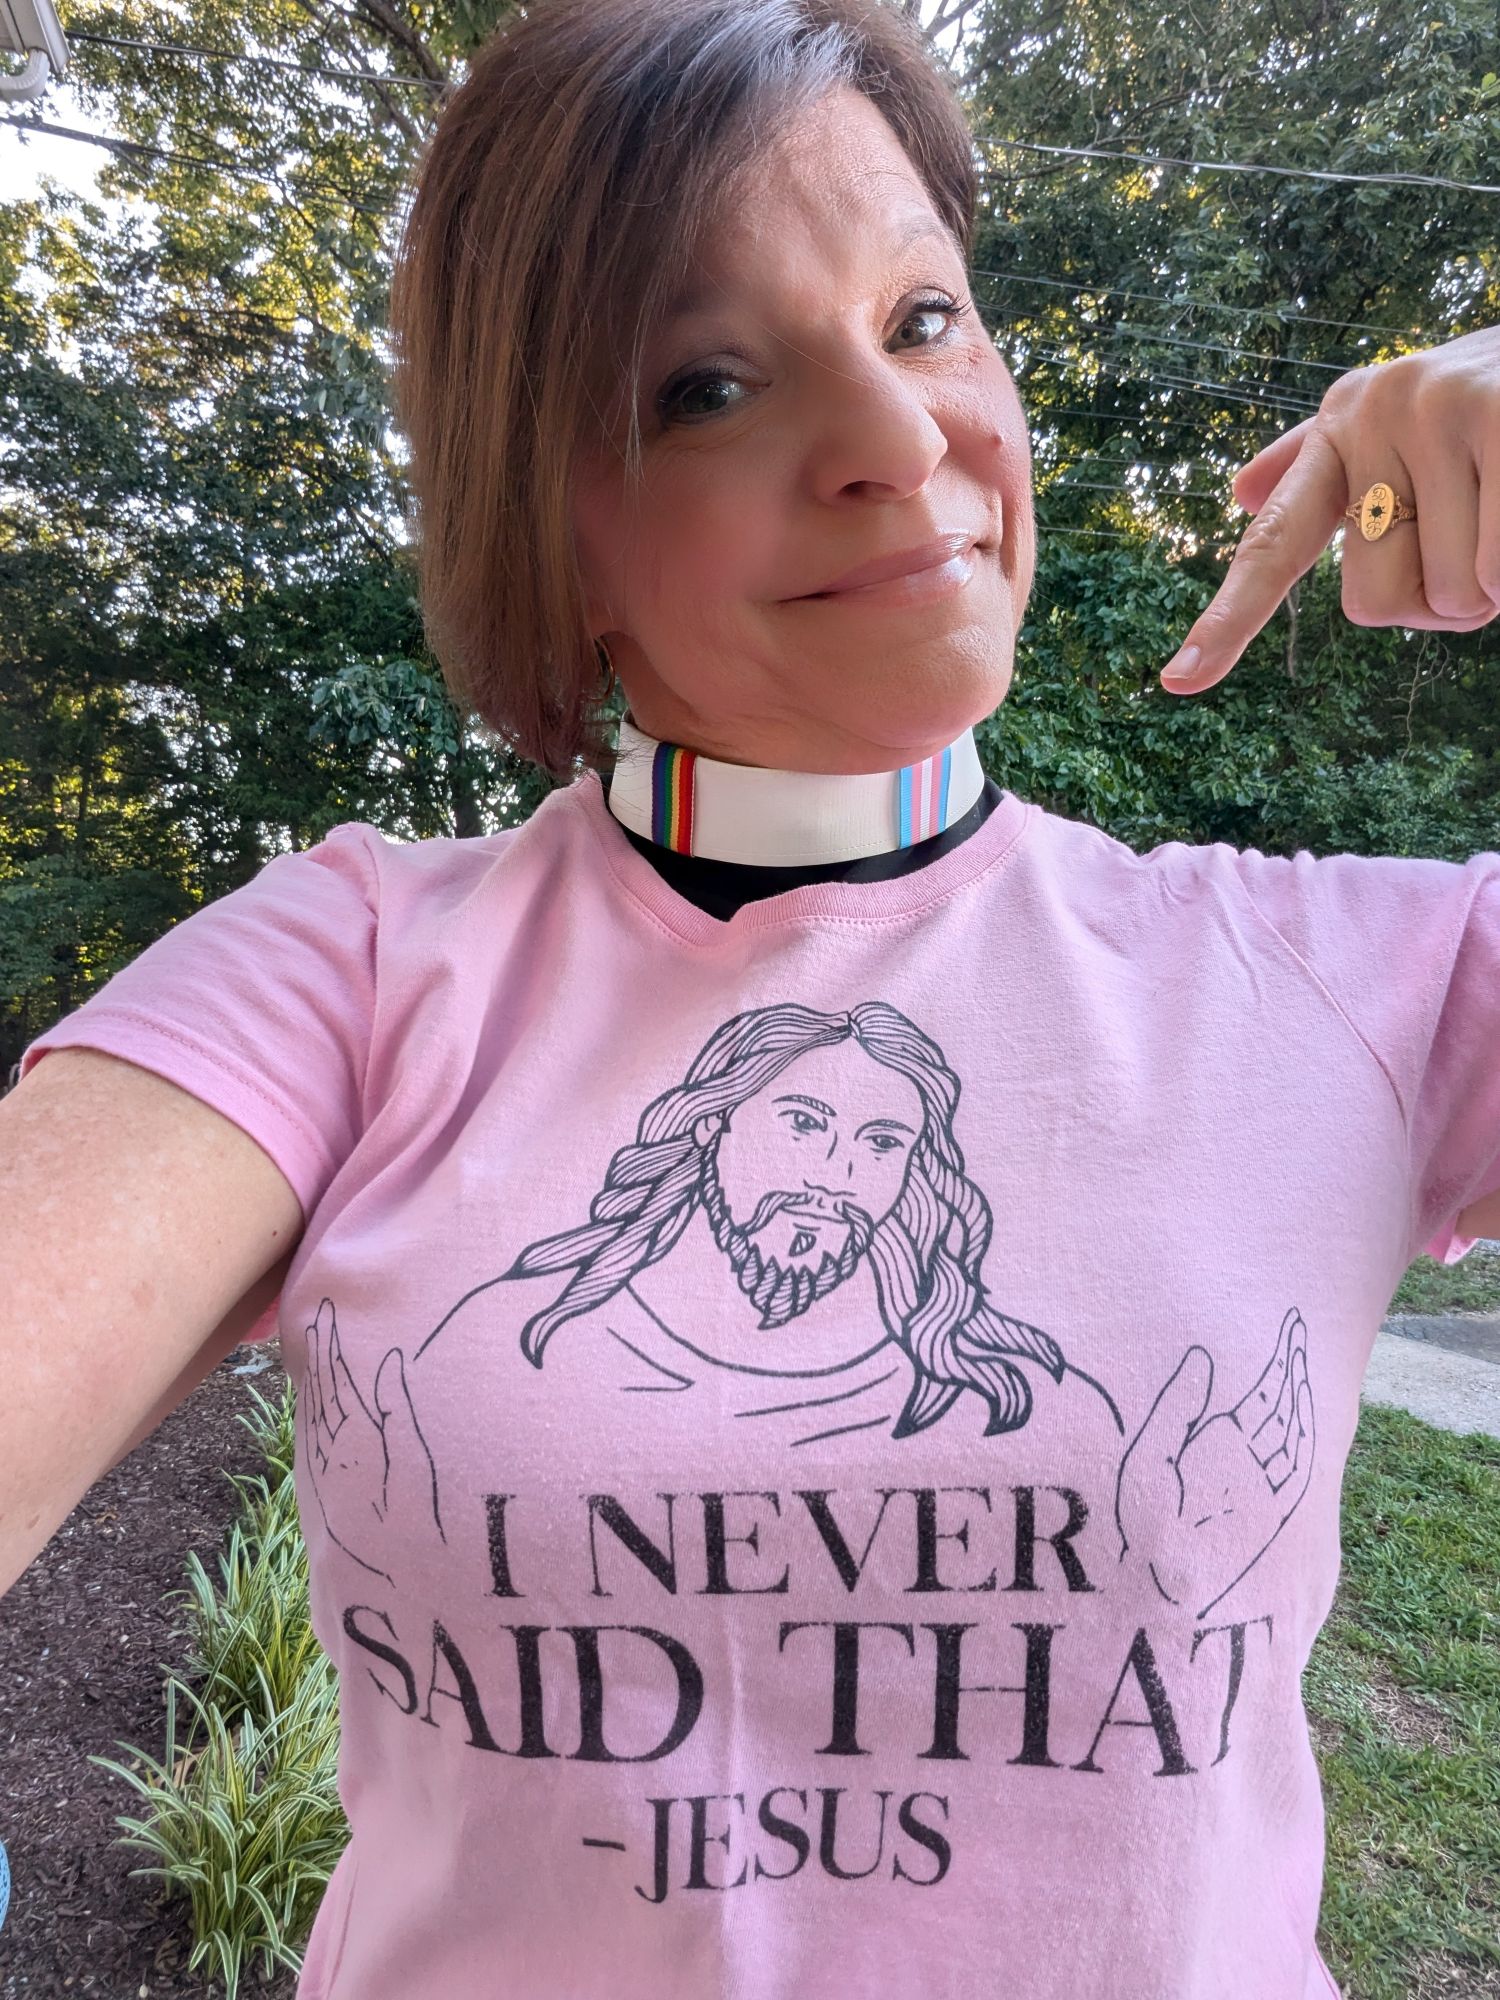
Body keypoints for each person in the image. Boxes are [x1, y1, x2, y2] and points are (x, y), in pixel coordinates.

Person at [2, 1, 1497, 1995]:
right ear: (553, 523)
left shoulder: (1363, 979)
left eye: (925, 319)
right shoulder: (348, 973)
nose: (901, 440)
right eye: (707, 383)